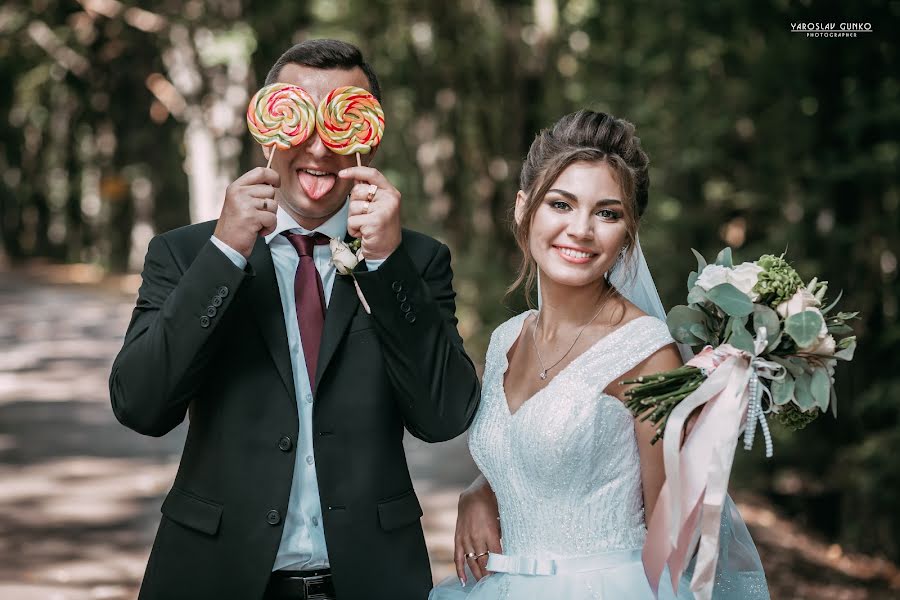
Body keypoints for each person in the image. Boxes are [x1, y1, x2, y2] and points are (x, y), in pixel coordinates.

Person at [110, 39, 481, 600]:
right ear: (268, 127)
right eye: (299, 117)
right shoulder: (186, 255)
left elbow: (445, 414)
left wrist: (385, 263)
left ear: (368, 134)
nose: (317, 145)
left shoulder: (417, 261)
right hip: (213, 575)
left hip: (370, 580)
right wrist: (226, 255)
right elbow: (140, 404)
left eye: (339, 120)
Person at [430, 110, 769, 599]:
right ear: (525, 208)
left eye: (607, 213)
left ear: (628, 233)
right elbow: (537, 458)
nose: (582, 229)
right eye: (561, 204)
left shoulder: (646, 351)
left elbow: (672, 542)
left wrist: (701, 437)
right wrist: (480, 491)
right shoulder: (508, 338)